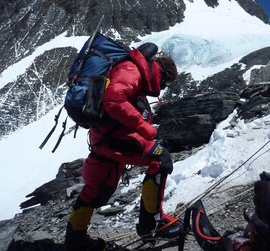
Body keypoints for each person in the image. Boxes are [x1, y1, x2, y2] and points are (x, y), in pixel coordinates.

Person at [64, 44, 183, 251]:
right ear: (160, 73)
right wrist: (143, 127)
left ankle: (76, 240)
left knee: (97, 189)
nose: (162, 88)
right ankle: (151, 224)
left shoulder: (132, 69)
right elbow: (114, 99)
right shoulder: (132, 70)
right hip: (115, 138)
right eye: (165, 82)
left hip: (104, 136)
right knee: (160, 159)